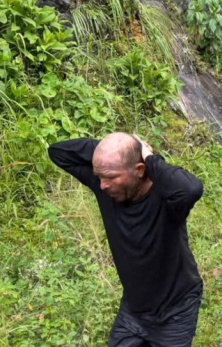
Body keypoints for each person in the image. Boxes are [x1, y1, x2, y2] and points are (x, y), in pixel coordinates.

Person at [48, 133, 204, 347]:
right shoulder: (106, 188)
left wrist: (148, 157)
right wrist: (113, 152)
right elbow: (58, 152)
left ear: (139, 170)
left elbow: (191, 188)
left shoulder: (168, 198)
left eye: (111, 176)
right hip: (133, 309)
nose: (102, 185)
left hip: (175, 310)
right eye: (99, 176)